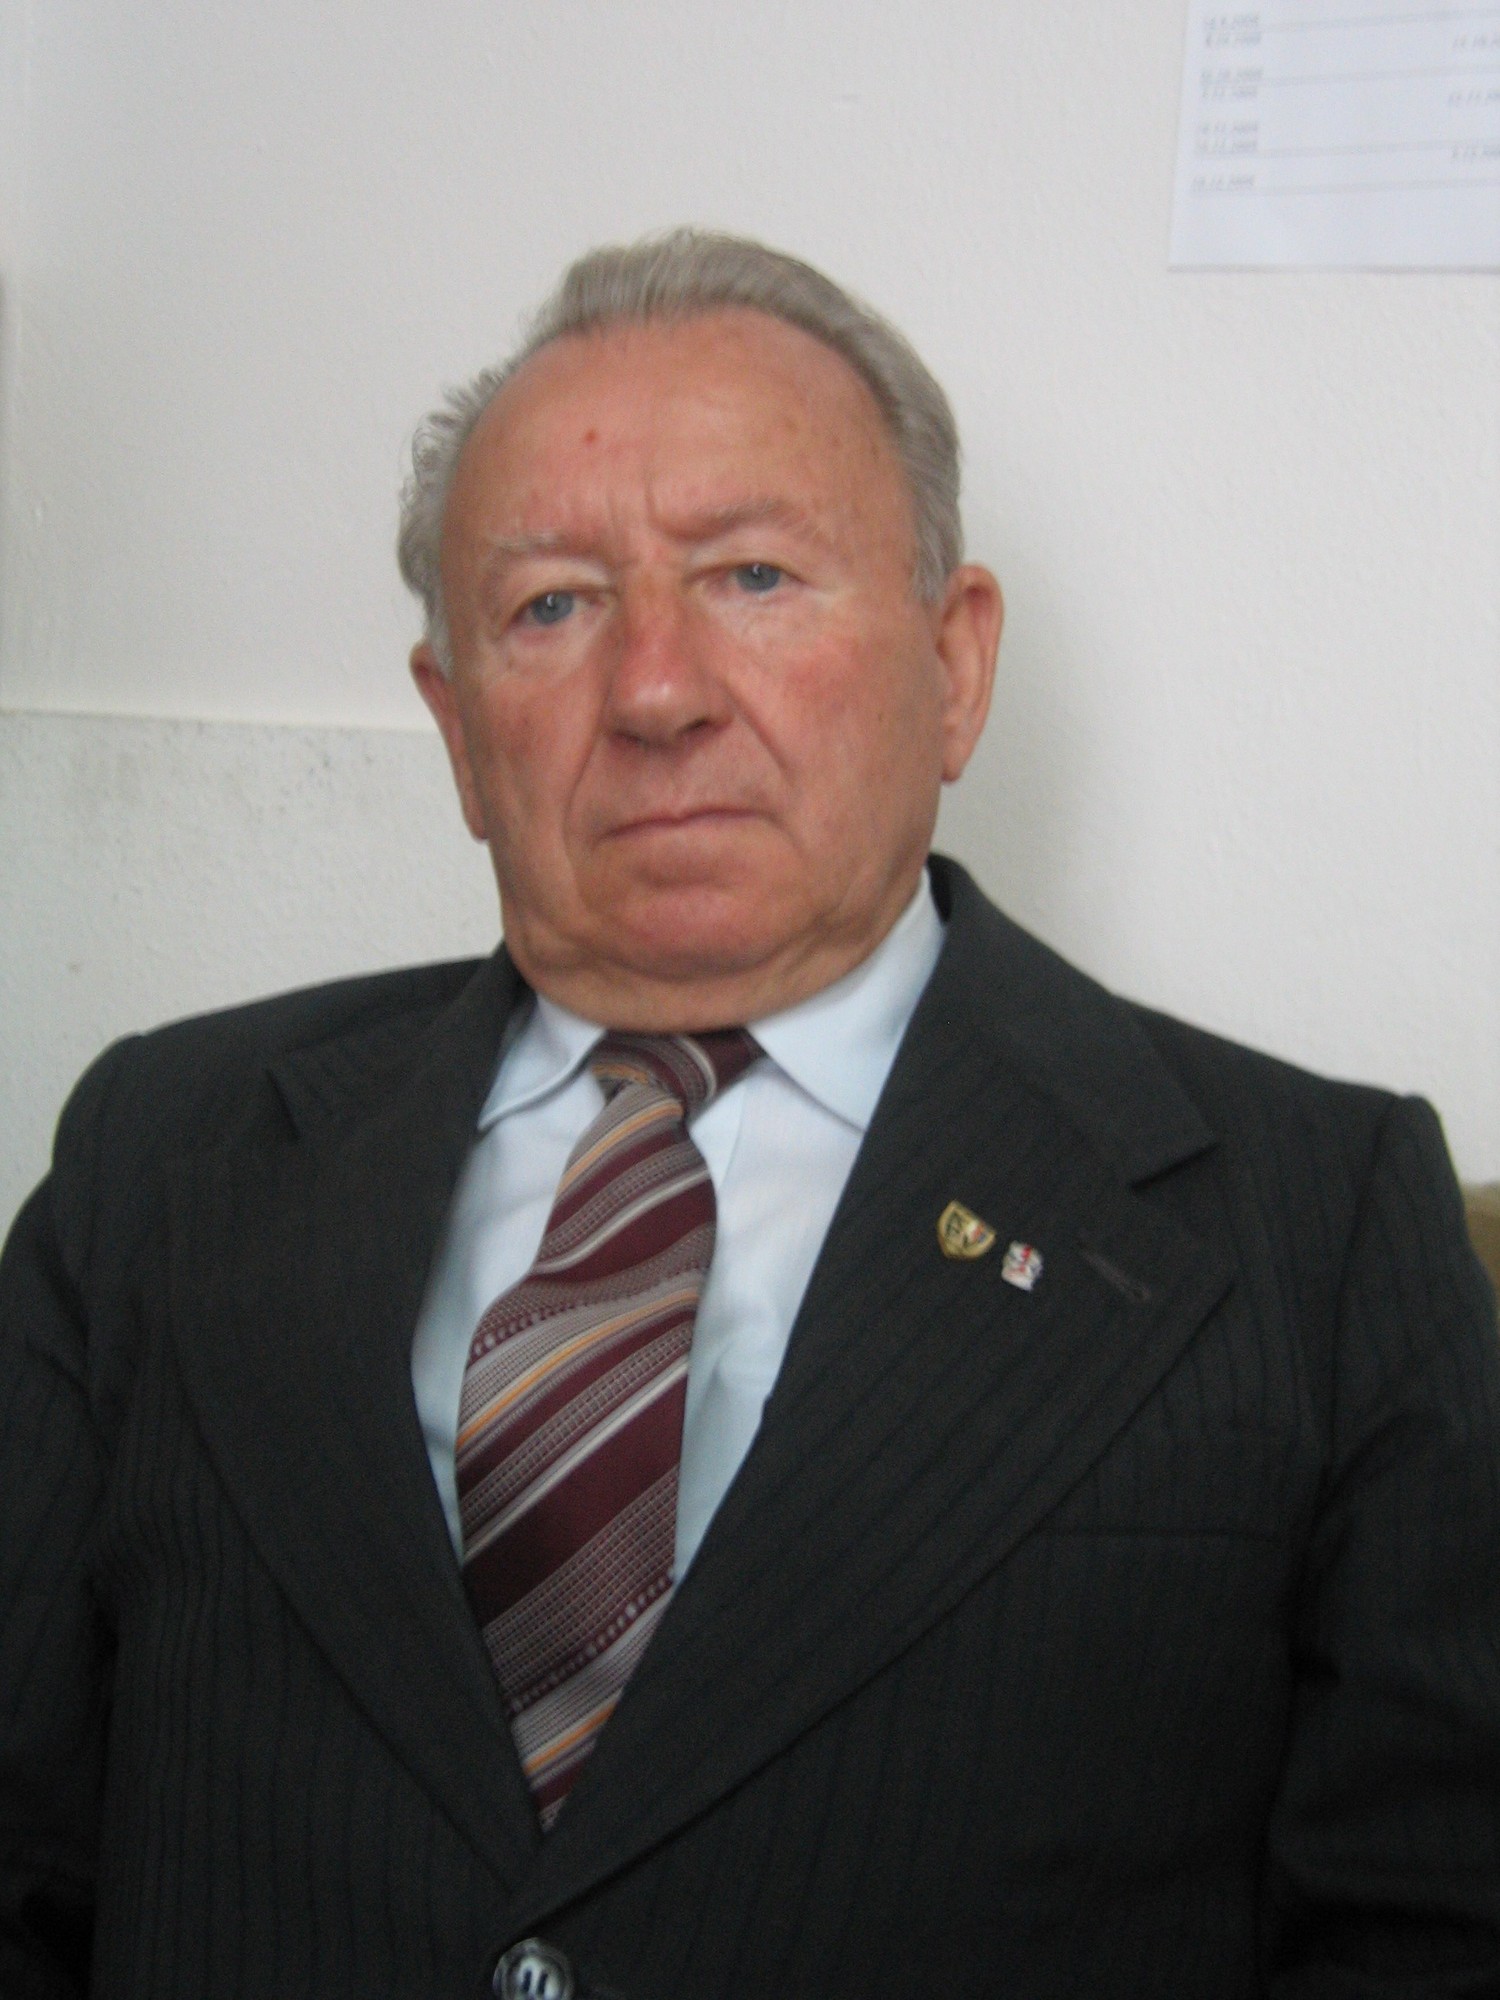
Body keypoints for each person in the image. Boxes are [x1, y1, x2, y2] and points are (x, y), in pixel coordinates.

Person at [1, 230, 1497, 2000]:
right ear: (460, 731)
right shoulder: (161, 1160)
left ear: (955, 665)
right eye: (552, 607)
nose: (655, 691)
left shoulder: (1318, 1223)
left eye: (756, 576)